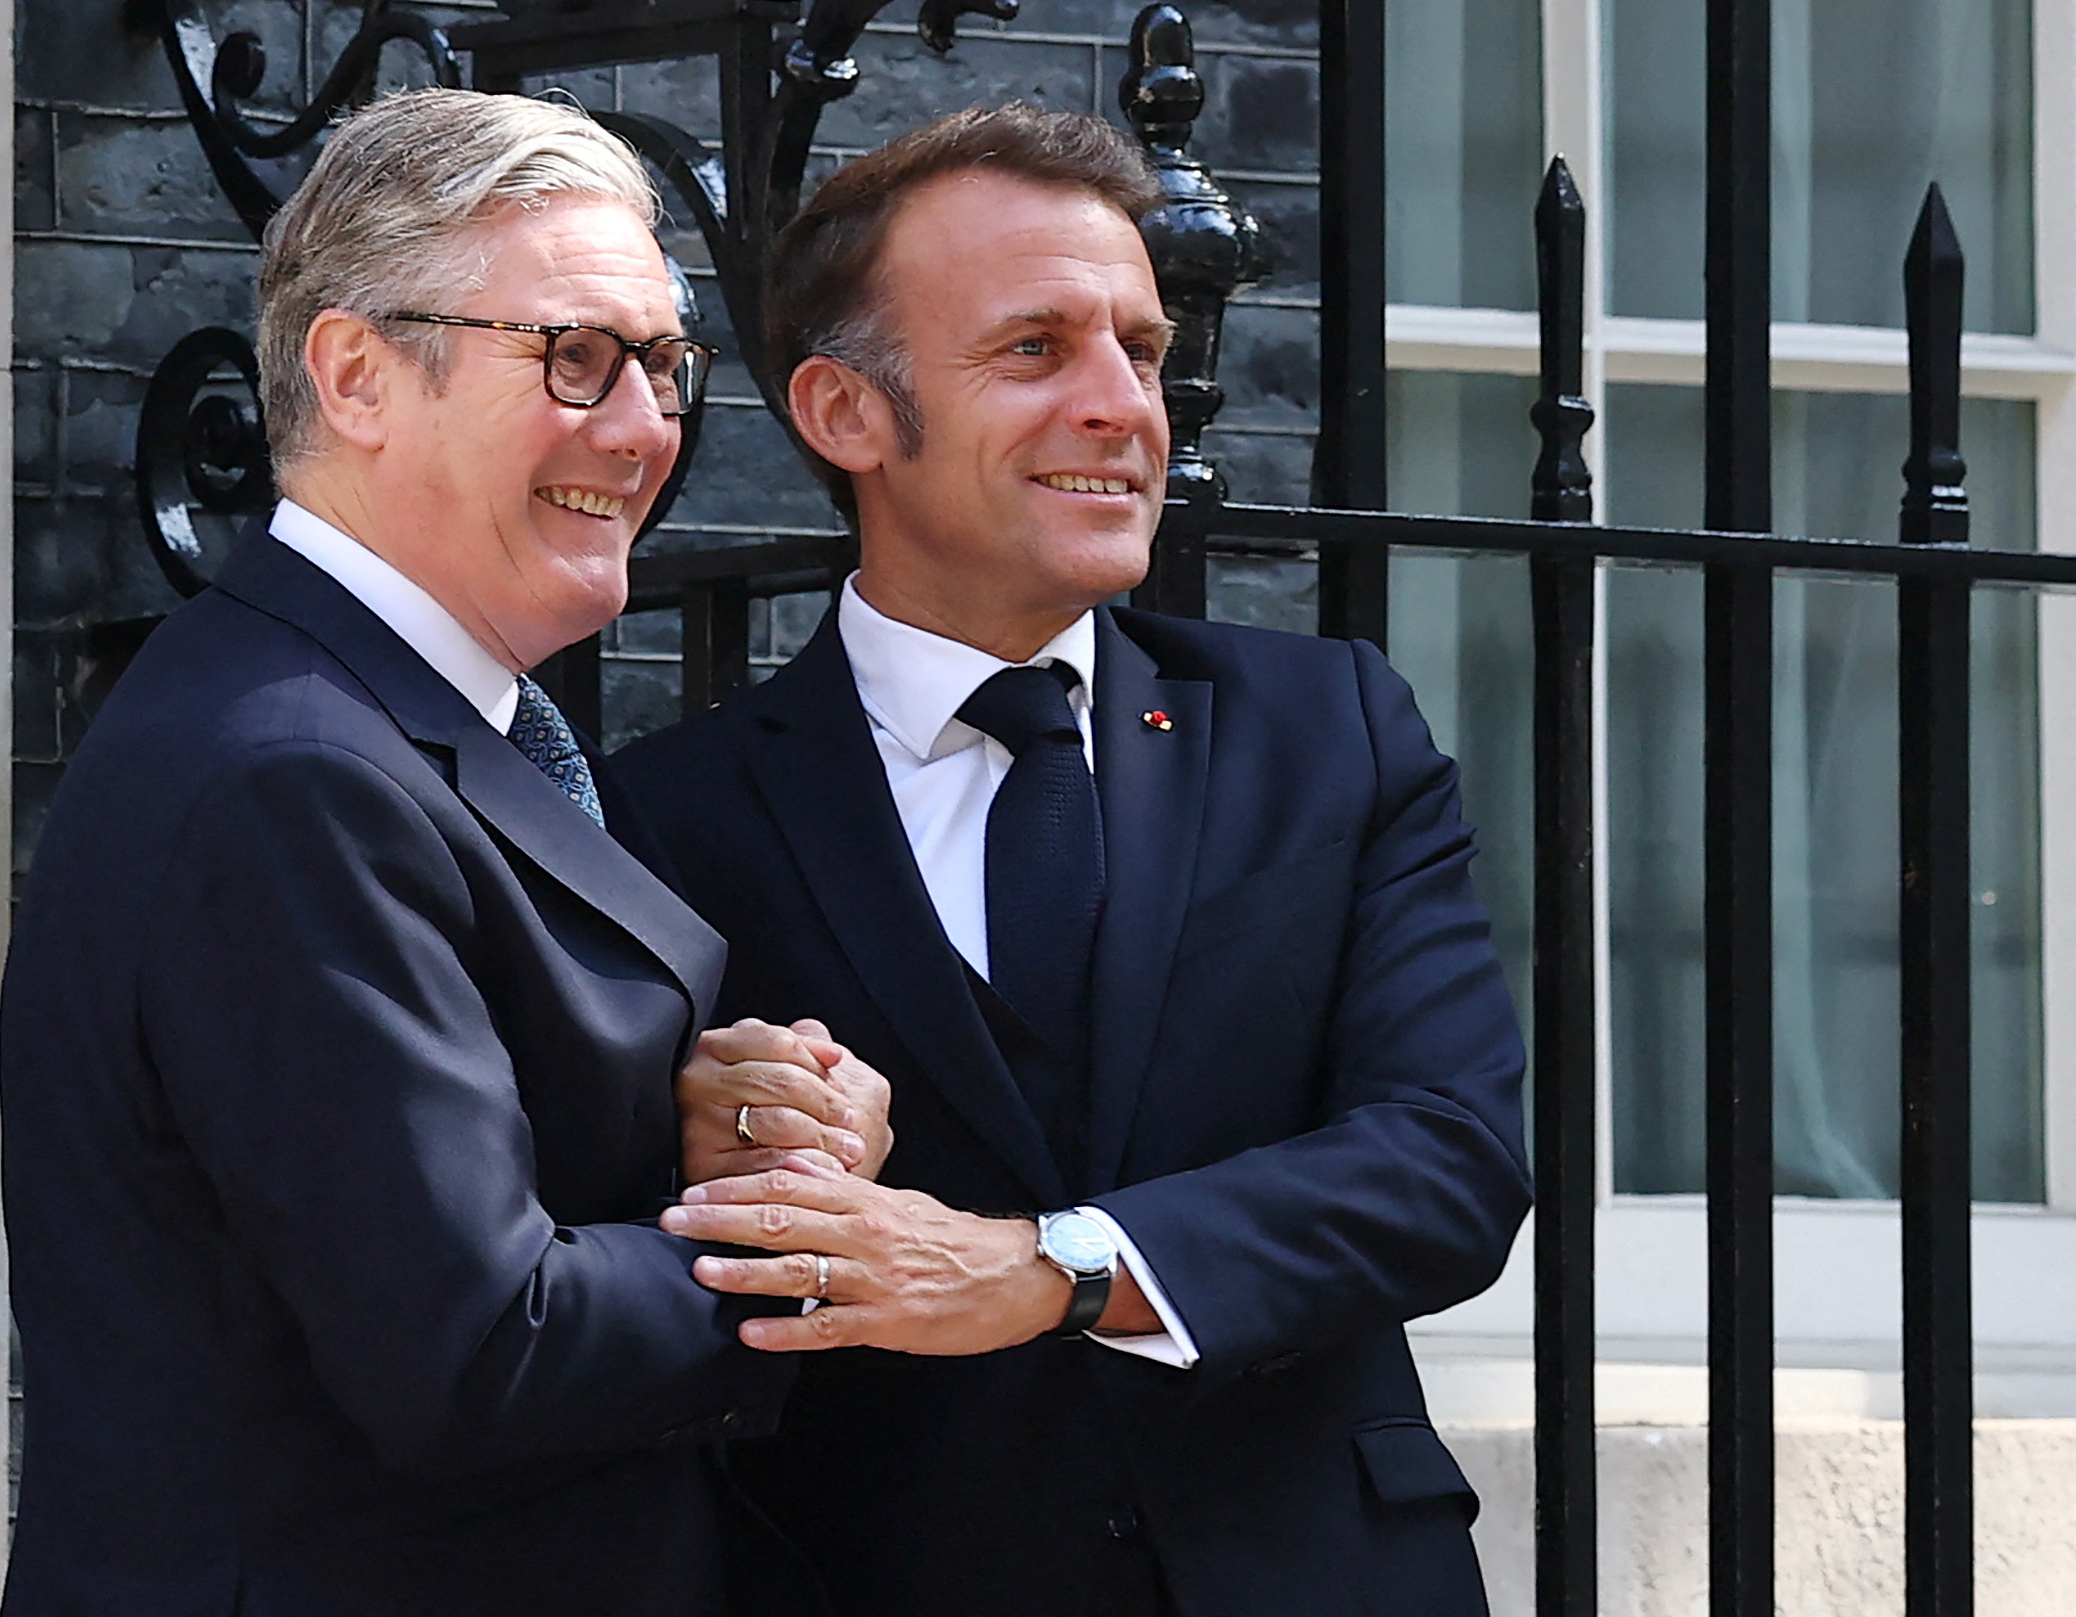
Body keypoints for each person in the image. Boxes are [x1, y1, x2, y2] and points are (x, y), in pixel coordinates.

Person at [610, 104, 1533, 1617]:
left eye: (1144, 352)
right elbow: (592, 1256)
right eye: (1035, 349)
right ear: (846, 413)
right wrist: (703, 1140)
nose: (1124, 407)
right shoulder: (667, 818)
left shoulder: (1333, 732)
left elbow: (1448, 1161)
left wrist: (1050, 1269)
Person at [0, 88, 886, 1617]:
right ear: (356, 375)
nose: (644, 429)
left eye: (665, 366)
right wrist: (821, 1242)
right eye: (576, 357)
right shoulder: (294, 776)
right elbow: (480, 1346)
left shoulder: (377, 715)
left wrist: (724, 1127)